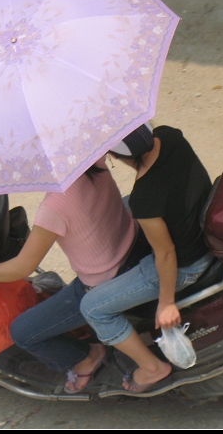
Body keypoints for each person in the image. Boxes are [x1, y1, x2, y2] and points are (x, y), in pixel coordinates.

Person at [0, 157, 151, 394]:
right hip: (134, 246)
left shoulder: (54, 207)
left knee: (23, 332)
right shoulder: (92, 163)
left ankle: (89, 357)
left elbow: (22, 267)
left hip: (103, 280)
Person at [77, 123, 214, 393]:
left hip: (187, 264)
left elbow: (166, 253)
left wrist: (166, 303)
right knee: (126, 204)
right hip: (199, 224)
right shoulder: (170, 135)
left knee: (92, 308)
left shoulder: (146, 196)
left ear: (114, 155)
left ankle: (152, 368)